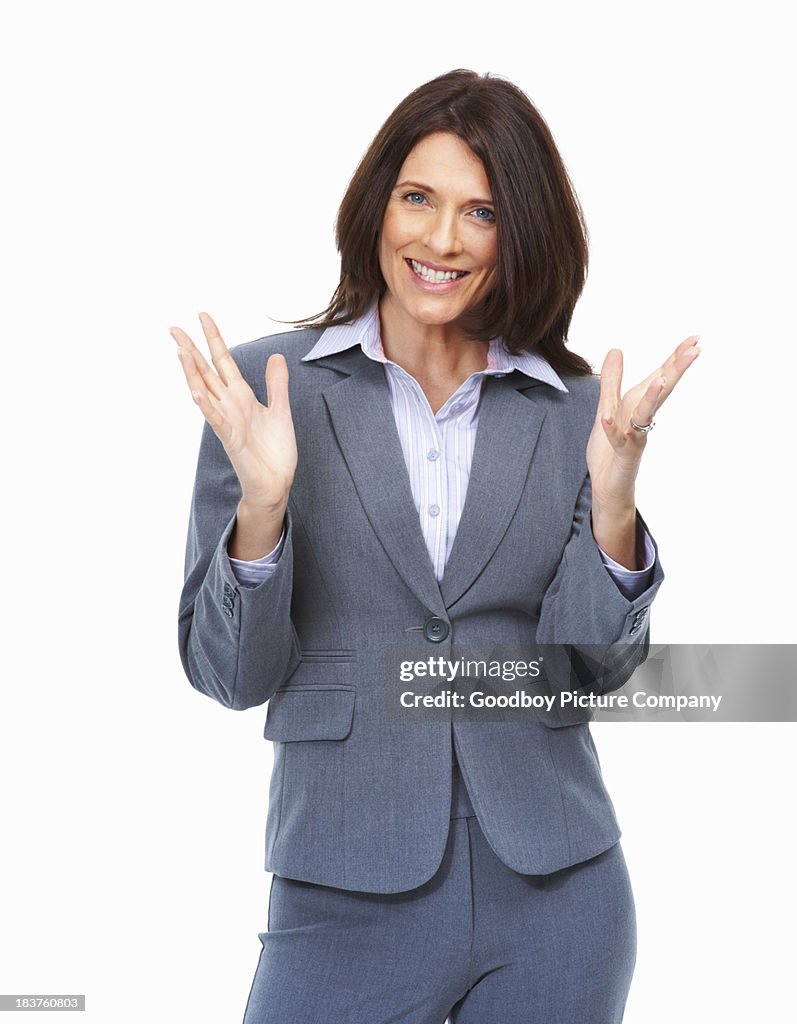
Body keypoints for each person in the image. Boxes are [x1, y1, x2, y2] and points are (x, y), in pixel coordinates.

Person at [170, 69, 699, 1024]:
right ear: (378, 204)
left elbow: (596, 670)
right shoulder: (263, 392)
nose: (441, 240)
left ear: (519, 234)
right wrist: (264, 504)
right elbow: (229, 676)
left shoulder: (575, 412)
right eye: (418, 197)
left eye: (481, 212)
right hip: (339, 885)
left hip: (556, 890)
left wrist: (614, 505)